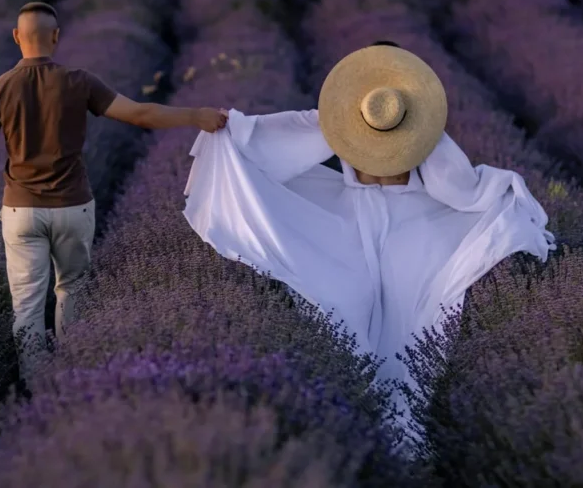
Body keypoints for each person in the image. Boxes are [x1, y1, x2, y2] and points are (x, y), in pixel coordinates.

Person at [182, 41, 555, 432]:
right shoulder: (421, 125)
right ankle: (404, 417)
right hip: (411, 221)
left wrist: (232, 126)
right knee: (411, 319)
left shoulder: (339, 118)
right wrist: (501, 188)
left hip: (350, 219)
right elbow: (457, 189)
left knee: (346, 309)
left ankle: (356, 412)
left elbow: (272, 137)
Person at [0, 1, 228, 380]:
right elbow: (140, 114)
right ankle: (71, 376)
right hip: (73, 207)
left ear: (16, 37)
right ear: (55, 37)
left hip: (21, 212)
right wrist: (195, 115)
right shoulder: (79, 81)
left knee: (27, 307)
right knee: (72, 290)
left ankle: (36, 389)